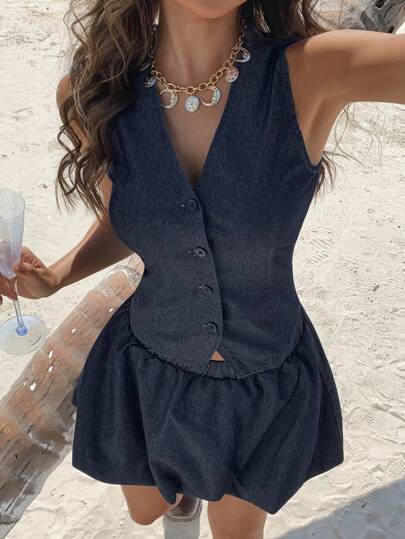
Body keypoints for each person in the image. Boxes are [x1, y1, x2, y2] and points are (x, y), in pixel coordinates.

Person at [0, 1, 404, 537]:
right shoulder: (93, 94)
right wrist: (54, 276)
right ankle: (182, 500)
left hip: (263, 379)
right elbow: (127, 219)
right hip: (147, 368)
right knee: (147, 509)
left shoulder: (315, 71)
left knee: (236, 531)